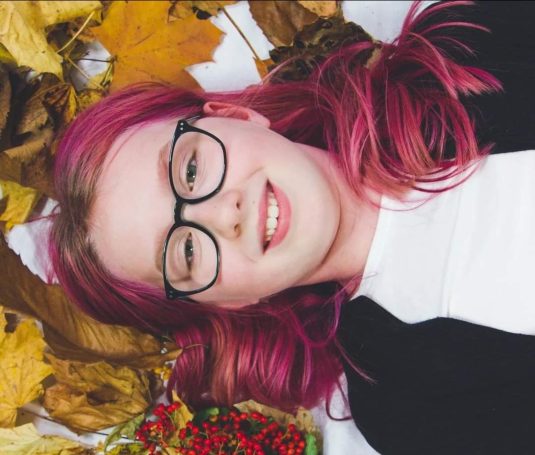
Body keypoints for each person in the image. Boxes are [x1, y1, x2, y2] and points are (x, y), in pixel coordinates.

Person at [48, 1, 535, 453]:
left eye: (190, 170)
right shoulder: (409, 408)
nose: (222, 213)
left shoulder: (464, 45)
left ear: (236, 117)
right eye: (187, 253)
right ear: (224, 302)